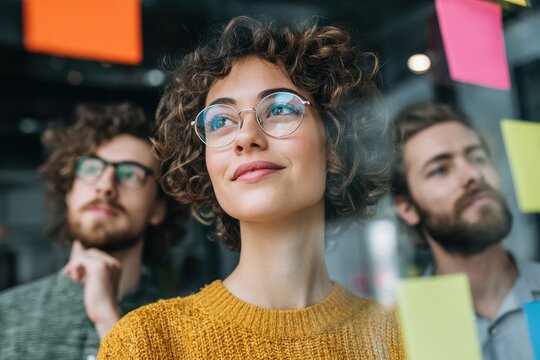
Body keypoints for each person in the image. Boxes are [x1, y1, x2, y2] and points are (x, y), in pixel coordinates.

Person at [98, 16, 405, 359]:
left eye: (278, 109)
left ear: (334, 145)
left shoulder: (404, 340)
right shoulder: (148, 343)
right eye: (220, 122)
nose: (245, 137)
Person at [0, 103, 187, 360]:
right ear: (69, 191)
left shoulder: (186, 328)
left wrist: (109, 319)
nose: (105, 186)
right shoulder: (5, 315)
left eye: (130, 174)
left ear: (157, 208)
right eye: (91, 168)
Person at [390, 101, 540, 360]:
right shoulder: (399, 337)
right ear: (407, 208)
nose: (472, 174)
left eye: (477, 158)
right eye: (440, 169)